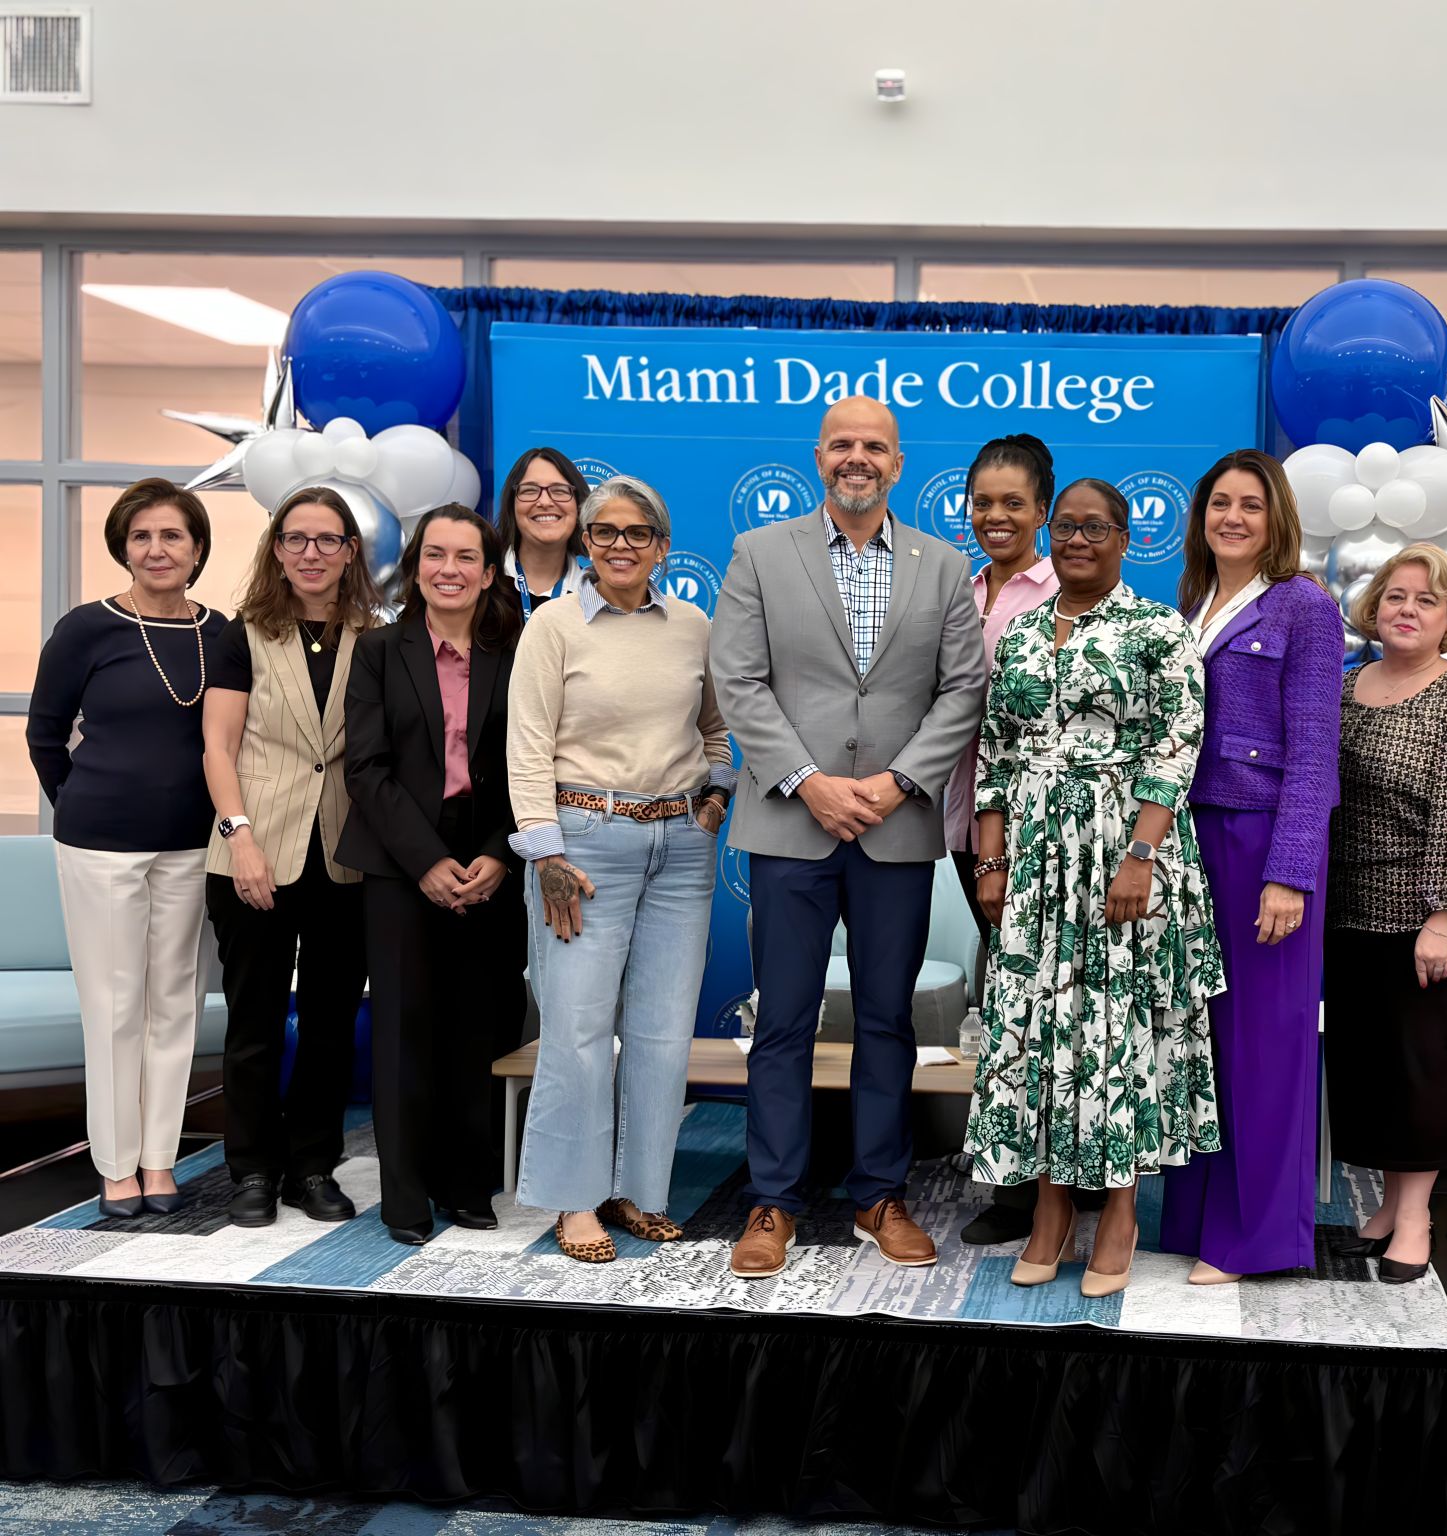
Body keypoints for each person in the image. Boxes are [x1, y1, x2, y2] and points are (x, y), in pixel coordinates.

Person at [711, 397, 984, 1278]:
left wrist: (898, 781)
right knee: (783, 1022)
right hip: (792, 824)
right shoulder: (760, 554)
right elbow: (738, 680)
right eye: (841, 445)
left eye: (874, 446)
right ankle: (773, 1202)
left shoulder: (944, 566)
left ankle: (878, 1196)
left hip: (894, 830)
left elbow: (963, 689)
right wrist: (810, 781)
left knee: (886, 1021)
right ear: (818, 456)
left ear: (898, 464)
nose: (856, 458)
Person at [966, 477, 1225, 1299]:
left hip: (1124, 849)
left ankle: (1118, 1211)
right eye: (1066, 526)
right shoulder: (1020, 631)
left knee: (1117, 1031)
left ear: (1125, 538)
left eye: (1096, 527)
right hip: (1037, 858)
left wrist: (1140, 855)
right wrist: (991, 859)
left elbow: (1177, 744)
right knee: (1042, 1029)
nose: (1078, 539)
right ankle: (1050, 1211)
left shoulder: (1158, 629)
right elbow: (996, 749)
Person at [504, 476, 733, 1262]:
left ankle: (640, 1191)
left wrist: (715, 798)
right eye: (605, 532)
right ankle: (574, 1202)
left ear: (662, 546)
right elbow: (527, 745)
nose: (621, 546)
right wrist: (546, 853)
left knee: (663, 1032)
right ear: (586, 542)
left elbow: (716, 728)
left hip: (680, 846)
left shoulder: (694, 626)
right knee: (576, 1029)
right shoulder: (554, 625)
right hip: (583, 847)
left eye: (638, 533)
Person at [1158, 449, 1343, 1283]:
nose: (1233, 517)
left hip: (1261, 841)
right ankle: (1195, 1222)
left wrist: (1290, 872)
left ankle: (1256, 1240)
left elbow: (1314, 751)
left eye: (1251, 505)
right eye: (1220, 503)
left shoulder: (1304, 606)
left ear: (1278, 520)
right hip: (1190, 837)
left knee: (1265, 1044)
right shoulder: (1191, 604)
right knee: (1198, 1037)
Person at [26, 478, 227, 1218]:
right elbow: (44, 735)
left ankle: (160, 1160)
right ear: (123, 548)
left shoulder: (221, 634)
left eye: (172, 535)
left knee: (175, 1004)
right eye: (141, 536)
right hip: (100, 846)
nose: (156, 549)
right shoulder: (87, 628)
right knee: (115, 1007)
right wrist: (83, 804)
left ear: (198, 547)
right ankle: (115, 1167)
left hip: (191, 846)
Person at [339, 506, 527, 1245]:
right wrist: (424, 861)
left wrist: (500, 852)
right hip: (400, 858)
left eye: (466, 556)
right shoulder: (380, 650)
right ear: (416, 568)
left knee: (479, 1024)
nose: (450, 569)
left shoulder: (518, 650)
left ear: (489, 572)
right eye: (435, 555)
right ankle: (406, 1194)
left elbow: (533, 759)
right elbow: (366, 767)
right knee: (404, 1029)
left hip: (491, 852)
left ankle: (467, 1184)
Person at [1324, 545, 1447, 1283]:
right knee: (1372, 1072)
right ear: (1373, 609)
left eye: (1427, 600)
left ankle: (1414, 1218)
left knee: (1424, 1072)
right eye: (1395, 595)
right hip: (1349, 914)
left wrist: (1444, 918)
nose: (1407, 609)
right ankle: (1387, 1207)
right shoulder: (1346, 687)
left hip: (1425, 919)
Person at [201, 485, 380, 1228]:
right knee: (256, 1021)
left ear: (349, 552)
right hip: (255, 853)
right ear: (276, 549)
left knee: (332, 1024)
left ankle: (312, 1167)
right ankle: (251, 1169)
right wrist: (238, 836)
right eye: (296, 539)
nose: (312, 553)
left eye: (327, 539)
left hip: (346, 857)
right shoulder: (240, 634)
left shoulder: (376, 636)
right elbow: (218, 747)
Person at [945, 433, 1062, 1247]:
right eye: (983, 502)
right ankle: (1023, 1181)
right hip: (962, 823)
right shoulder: (956, 590)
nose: (997, 516)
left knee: (1046, 1002)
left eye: (1013, 503)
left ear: (1043, 510)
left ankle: (1051, 1188)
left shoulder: (1065, 593)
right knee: (1008, 1003)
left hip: (1043, 831)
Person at [496, 447, 590, 619]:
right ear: (511, 505)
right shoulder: (481, 582)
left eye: (559, 490)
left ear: (579, 506)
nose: (545, 502)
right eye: (530, 490)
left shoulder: (595, 596)